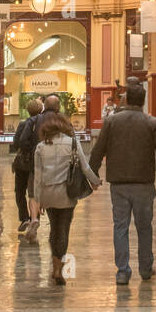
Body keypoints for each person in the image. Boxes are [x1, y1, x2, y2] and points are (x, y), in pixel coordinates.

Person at [89, 81, 156, 285]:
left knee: (120, 226)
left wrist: (92, 176)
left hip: (118, 183)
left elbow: (98, 149)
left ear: (126, 99)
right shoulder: (152, 122)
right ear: (144, 101)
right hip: (144, 183)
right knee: (144, 226)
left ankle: (122, 271)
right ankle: (145, 268)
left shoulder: (111, 122)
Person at [31, 110, 100, 285]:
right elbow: (85, 167)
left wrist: (38, 200)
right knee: (63, 229)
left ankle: (55, 265)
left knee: (54, 227)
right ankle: (58, 269)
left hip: (47, 194)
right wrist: (95, 181)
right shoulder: (72, 143)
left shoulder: (40, 147)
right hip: (66, 193)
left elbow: (38, 177)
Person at [25, 93, 61, 242]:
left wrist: (31, 152)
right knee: (55, 191)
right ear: (58, 107)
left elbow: (22, 140)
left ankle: (34, 218)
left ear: (44, 106)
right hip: (57, 164)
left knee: (33, 193)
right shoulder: (61, 120)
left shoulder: (35, 120)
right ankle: (55, 225)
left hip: (37, 161)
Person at [10, 97, 43, 234]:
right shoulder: (44, 124)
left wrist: (26, 150)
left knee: (19, 191)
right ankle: (34, 218)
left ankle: (25, 218)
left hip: (23, 163)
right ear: (41, 109)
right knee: (35, 192)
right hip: (38, 163)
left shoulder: (24, 124)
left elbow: (17, 142)